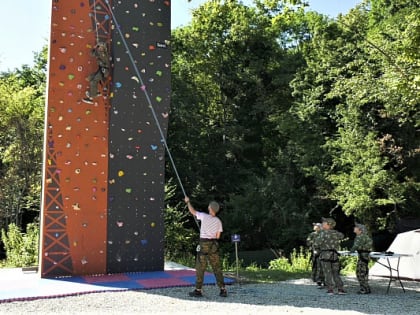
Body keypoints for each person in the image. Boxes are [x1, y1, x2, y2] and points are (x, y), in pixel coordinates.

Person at [184, 196, 227, 297]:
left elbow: (193, 211)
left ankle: (198, 290)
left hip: (203, 244)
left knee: (200, 267)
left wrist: (188, 202)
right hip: (213, 246)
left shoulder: (203, 216)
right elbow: (218, 236)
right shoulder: (218, 221)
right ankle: (223, 289)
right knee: (216, 267)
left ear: (210, 208)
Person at [314, 217, 345, 295]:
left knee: (327, 273)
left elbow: (316, 244)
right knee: (336, 273)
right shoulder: (336, 233)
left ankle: (330, 289)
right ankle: (340, 289)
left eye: (324, 223)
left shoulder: (323, 233)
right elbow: (342, 236)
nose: (322, 224)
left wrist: (317, 249)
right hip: (334, 255)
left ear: (328, 224)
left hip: (325, 255)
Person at [351, 223, 373, 294]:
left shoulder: (360, 237)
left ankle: (364, 289)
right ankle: (366, 288)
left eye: (356, 227)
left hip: (363, 256)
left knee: (360, 272)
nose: (354, 228)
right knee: (364, 272)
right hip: (365, 256)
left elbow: (355, 246)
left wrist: (351, 251)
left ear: (360, 230)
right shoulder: (364, 236)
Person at [306, 223, 324, 288]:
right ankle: (313, 277)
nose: (314, 226)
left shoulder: (323, 234)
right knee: (314, 264)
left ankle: (320, 280)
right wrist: (312, 243)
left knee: (320, 265)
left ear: (319, 227)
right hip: (314, 251)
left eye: (316, 226)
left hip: (321, 252)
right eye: (314, 226)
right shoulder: (312, 234)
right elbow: (308, 242)